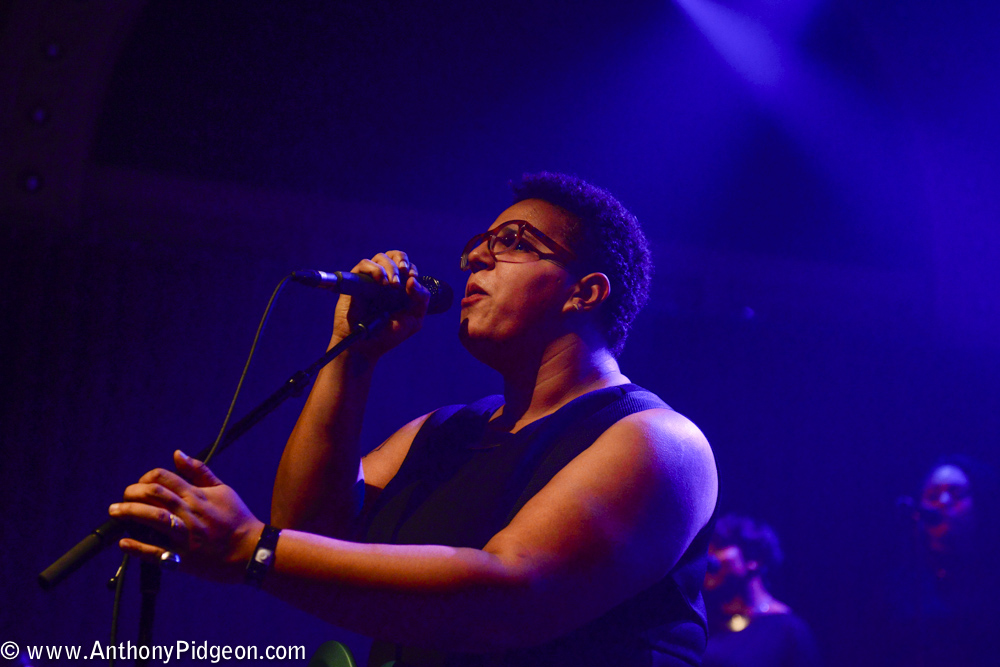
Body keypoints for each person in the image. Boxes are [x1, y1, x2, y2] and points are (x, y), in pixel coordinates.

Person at [109, 172, 719, 666]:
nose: (475, 257)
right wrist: (353, 350)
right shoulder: (441, 433)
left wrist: (253, 548)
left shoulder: (659, 442)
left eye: (512, 241)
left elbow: (509, 596)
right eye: (478, 245)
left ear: (583, 293)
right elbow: (310, 531)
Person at [883, 455, 1000, 666]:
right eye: (933, 495)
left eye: (955, 494)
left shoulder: (993, 581)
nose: (943, 502)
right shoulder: (900, 585)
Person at [701, 515, 820, 667]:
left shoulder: (789, 631)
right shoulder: (708, 623)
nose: (710, 558)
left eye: (720, 547)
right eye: (709, 549)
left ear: (753, 559)